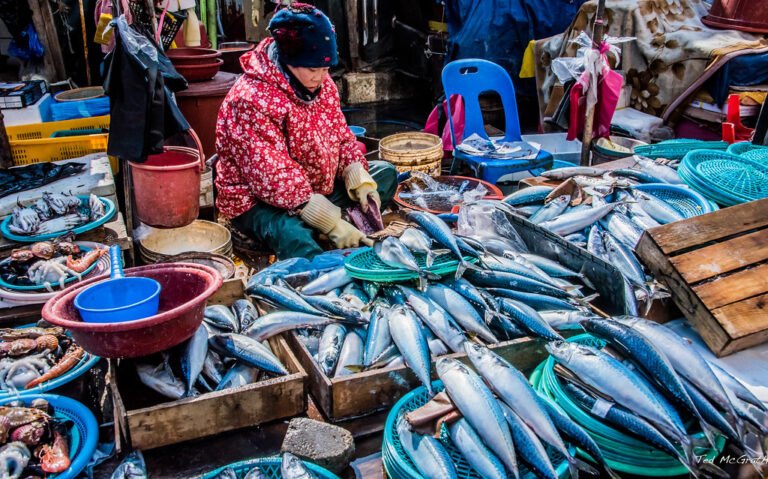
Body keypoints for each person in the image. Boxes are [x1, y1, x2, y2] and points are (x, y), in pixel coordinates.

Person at [215, 3, 397, 260]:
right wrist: (330, 222)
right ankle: (325, 253)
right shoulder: (250, 100)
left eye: (326, 69)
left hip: (315, 185)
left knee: (386, 175)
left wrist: (357, 177)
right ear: (289, 60)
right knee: (295, 237)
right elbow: (273, 178)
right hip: (260, 201)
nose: (322, 77)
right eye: (313, 69)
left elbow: (342, 137)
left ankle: (331, 225)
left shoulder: (324, 86)